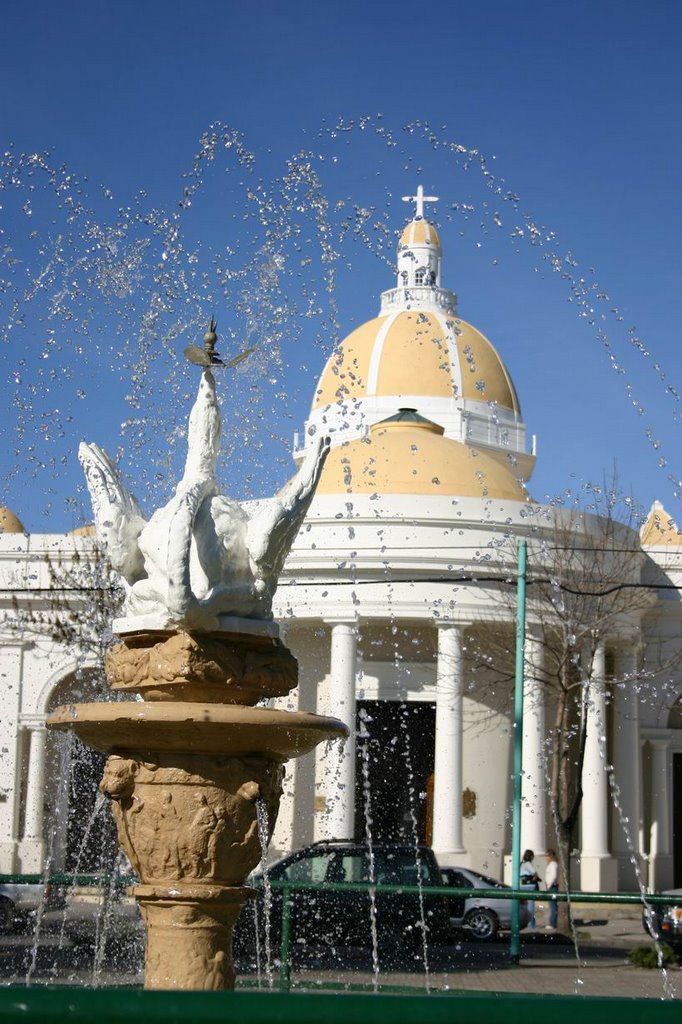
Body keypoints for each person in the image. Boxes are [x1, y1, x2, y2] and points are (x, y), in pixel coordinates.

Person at [519, 849, 540, 928]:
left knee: (524, 905)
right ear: (531, 856)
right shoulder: (528, 864)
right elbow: (535, 873)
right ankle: (531, 924)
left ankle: (525, 922)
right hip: (529, 885)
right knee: (530, 905)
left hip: (522, 885)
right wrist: (535, 879)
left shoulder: (521, 864)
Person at [545, 848, 559, 929]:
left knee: (552, 906)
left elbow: (553, 876)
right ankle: (552, 922)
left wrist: (549, 885)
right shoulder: (552, 864)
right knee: (552, 905)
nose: (546, 857)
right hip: (551, 886)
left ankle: (552, 923)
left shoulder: (553, 864)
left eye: (547, 856)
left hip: (552, 887)